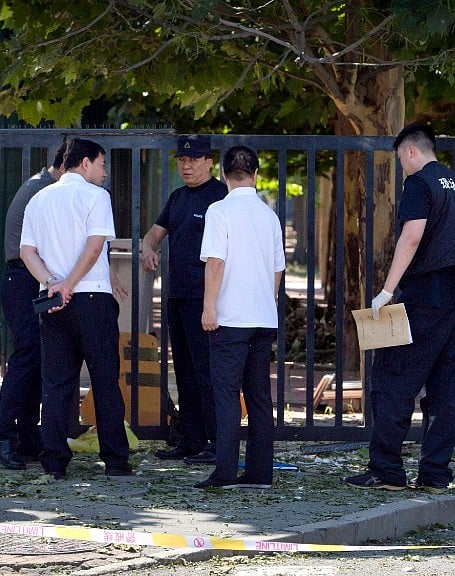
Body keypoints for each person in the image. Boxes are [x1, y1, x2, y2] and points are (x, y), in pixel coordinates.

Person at [344, 124, 455, 493]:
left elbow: (412, 236)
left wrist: (387, 291)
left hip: (425, 296)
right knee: (444, 390)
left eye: (401, 157)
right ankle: (435, 475)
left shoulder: (420, 183)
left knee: (393, 379)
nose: (402, 164)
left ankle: (386, 470)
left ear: (412, 152)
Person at [20, 137, 133, 479]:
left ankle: (54, 460)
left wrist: (53, 282)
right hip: (91, 298)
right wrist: (69, 283)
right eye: (101, 165)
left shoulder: (38, 198)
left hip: (53, 301)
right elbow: (95, 246)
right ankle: (115, 460)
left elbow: (27, 252)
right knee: (104, 380)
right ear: (85, 163)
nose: (104, 173)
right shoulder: (96, 197)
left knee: (56, 384)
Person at [195, 145, 285, 489]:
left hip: (230, 318)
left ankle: (225, 471)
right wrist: (268, 299)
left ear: (223, 173)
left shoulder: (219, 210)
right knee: (260, 397)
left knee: (227, 394)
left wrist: (209, 306)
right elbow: (278, 269)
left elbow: (215, 262)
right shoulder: (269, 216)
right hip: (263, 318)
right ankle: (261, 473)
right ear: (256, 174)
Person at [142, 135, 227, 465]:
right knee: (186, 371)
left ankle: (218, 441)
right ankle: (192, 439)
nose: (187, 165)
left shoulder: (221, 196)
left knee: (209, 371)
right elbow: (154, 233)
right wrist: (149, 248)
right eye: (181, 160)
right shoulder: (177, 198)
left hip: (206, 298)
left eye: (194, 160)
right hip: (176, 296)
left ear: (209, 162)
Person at [0, 141, 67, 470]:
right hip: (22, 279)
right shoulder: (43, 190)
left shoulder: (41, 186)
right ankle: (3, 433)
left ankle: (26, 435)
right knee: (29, 352)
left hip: (25, 279)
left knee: (35, 354)